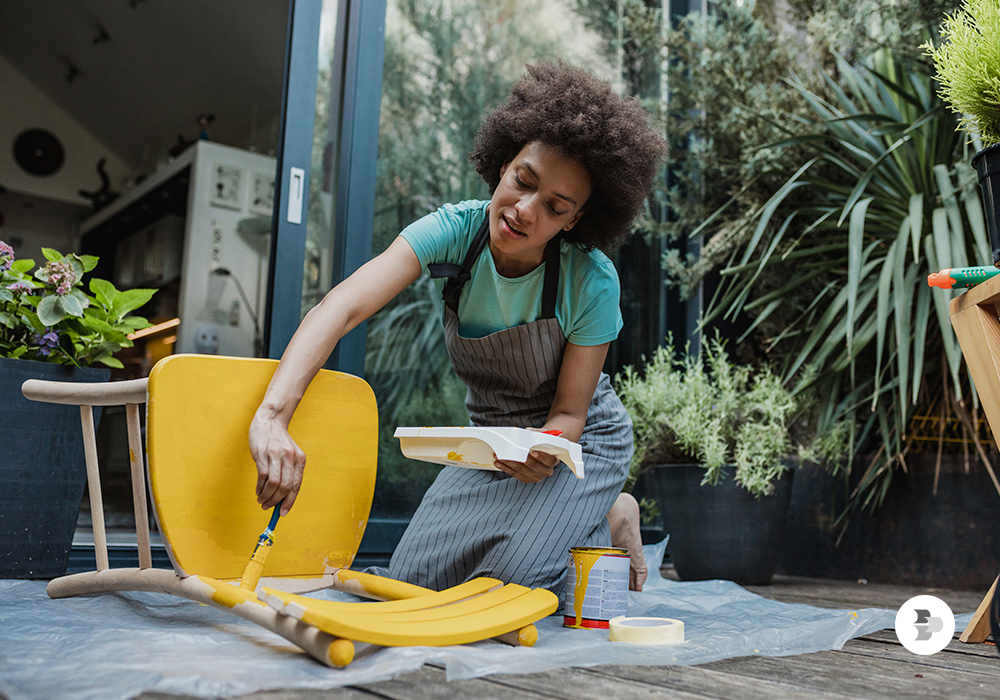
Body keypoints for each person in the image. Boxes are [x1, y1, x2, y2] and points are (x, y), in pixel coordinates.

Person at [249, 61, 667, 597]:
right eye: (523, 181)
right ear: (504, 164)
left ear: (573, 221)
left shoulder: (591, 281)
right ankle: (585, 517)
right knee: (410, 585)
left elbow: (569, 413)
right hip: (487, 440)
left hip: (572, 447)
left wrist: (545, 447)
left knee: (510, 588)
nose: (524, 210)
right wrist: (273, 415)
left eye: (555, 206)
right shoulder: (455, 232)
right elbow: (342, 306)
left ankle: (610, 512)